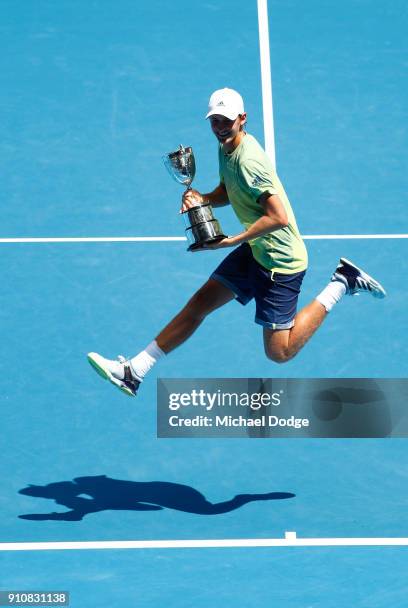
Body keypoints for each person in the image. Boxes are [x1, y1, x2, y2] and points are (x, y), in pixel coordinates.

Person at [87, 88, 386, 397]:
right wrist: (201, 199)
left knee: (279, 353)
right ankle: (135, 370)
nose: (219, 127)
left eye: (226, 121)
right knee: (199, 304)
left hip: (280, 263)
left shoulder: (249, 162)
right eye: (214, 120)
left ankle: (342, 282)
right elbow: (229, 191)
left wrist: (231, 241)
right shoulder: (225, 148)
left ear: (242, 119)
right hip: (257, 250)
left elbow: (279, 216)